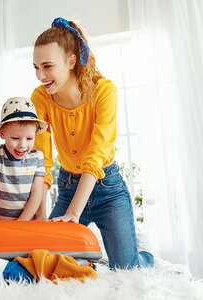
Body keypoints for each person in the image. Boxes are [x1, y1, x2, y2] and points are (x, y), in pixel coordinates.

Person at [31, 17, 154, 269]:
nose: (40, 75)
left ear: (71, 61)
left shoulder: (104, 91)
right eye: (35, 67)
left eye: (47, 66)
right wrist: (41, 214)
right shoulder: (40, 97)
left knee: (126, 268)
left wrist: (73, 215)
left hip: (107, 188)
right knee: (47, 258)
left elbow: (97, 154)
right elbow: (42, 157)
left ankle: (142, 251)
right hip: (68, 187)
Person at [0, 97, 47, 220]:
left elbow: (37, 192)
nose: (22, 145)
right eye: (15, 138)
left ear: (35, 134)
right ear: (2, 134)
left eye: (29, 138)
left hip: (25, 223)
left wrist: (22, 222)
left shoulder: (37, 157)